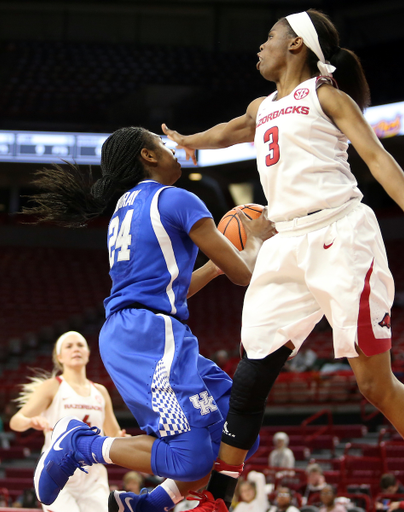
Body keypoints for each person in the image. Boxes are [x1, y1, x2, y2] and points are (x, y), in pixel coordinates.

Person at [162, 7, 404, 511]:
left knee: (374, 385)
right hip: (284, 239)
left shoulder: (326, 95)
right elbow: (228, 131)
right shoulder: (262, 105)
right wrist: (188, 141)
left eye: (269, 37)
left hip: (339, 233)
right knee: (250, 376)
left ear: (296, 45)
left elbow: (378, 159)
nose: (260, 46)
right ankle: (219, 497)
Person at [23, 127, 274, 512]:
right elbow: (243, 273)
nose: (173, 151)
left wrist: (216, 267)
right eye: (164, 146)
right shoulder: (177, 199)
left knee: (239, 430)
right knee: (190, 456)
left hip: (149, 327)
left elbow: (175, 287)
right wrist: (254, 237)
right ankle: (78, 444)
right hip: (147, 332)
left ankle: (148, 504)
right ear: (149, 156)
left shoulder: (126, 207)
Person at [9, 331, 127, 512]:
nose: (75, 349)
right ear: (59, 357)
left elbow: (113, 434)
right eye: (69, 346)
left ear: (88, 353)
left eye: (80, 345)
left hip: (93, 477)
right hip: (57, 473)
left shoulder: (100, 391)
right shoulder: (53, 386)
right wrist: (30, 421)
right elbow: (16, 421)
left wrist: (123, 439)